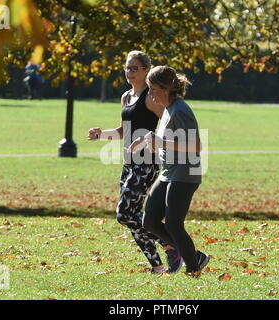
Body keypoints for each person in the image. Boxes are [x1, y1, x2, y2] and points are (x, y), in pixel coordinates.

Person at [87, 51, 183, 274]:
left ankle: (170, 244)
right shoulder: (126, 97)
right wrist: (101, 134)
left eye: (133, 68)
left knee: (124, 214)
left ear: (145, 70)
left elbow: (172, 123)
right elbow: (123, 131)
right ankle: (157, 266)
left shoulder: (152, 97)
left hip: (147, 163)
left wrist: (159, 143)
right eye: (127, 68)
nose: (129, 72)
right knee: (132, 215)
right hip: (129, 162)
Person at [129, 65, 210, 276]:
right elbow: (166, 139)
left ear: (166, 88)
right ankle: (195, 256)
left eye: (154, 88)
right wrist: (146, 139)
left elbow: (196, 146)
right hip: (169, 171)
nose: (151, 93)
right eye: (149, 88)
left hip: (185, 172)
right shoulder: (167, 109)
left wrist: (161, 141)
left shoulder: (181, 110)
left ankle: (193, 268)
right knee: (150, 221)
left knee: (174, 223)